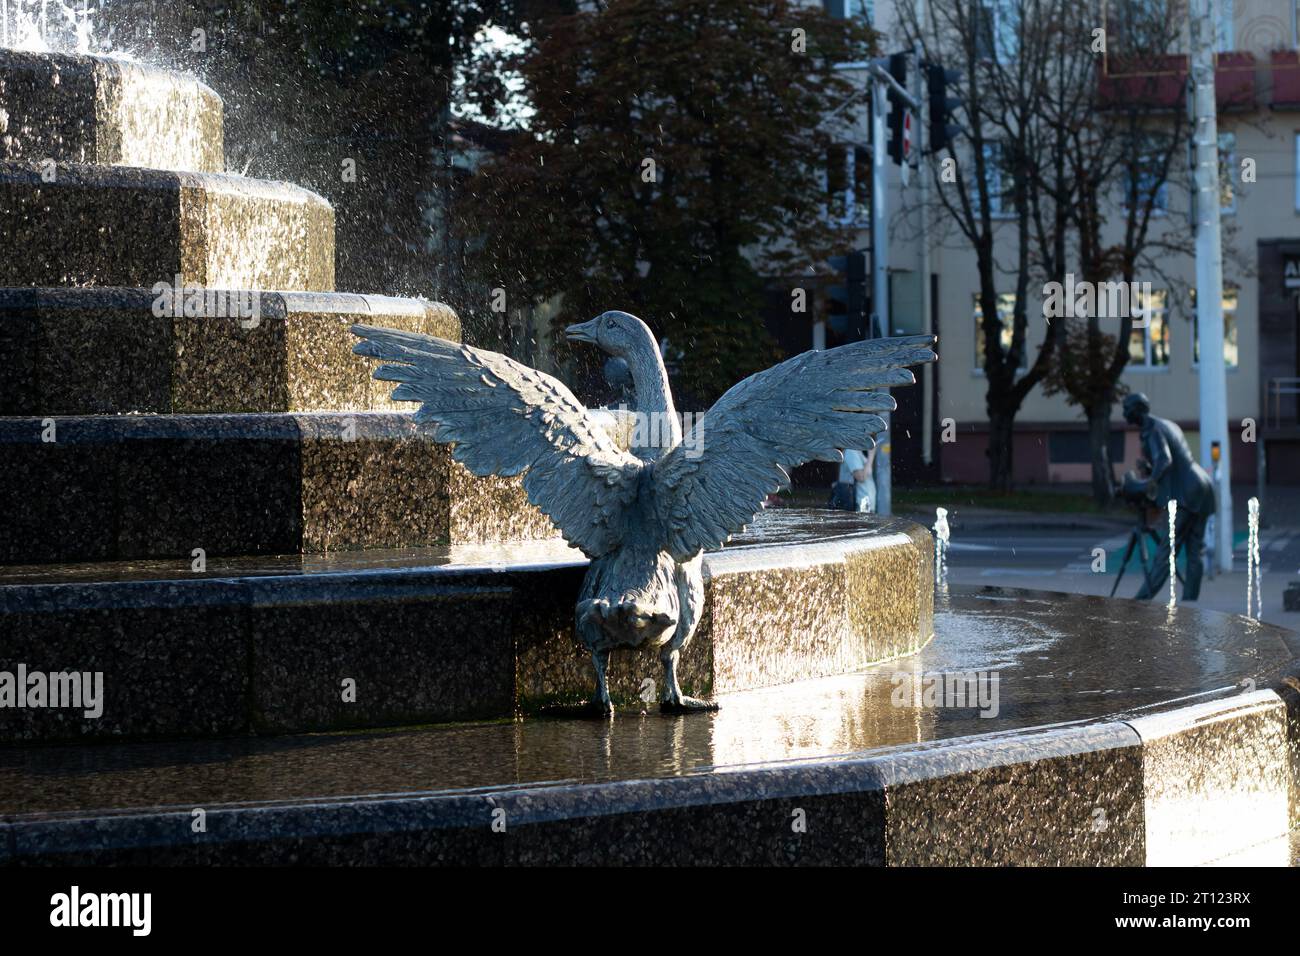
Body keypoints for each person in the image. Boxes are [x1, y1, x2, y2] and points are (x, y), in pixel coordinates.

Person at [1122, 393, 1216, 601]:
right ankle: (1191, 603)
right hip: (1201, 486)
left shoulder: (1153, 429)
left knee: (1165, 553)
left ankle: (1139, 603)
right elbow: (1173, 461)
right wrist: (1150, 469)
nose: (1124, 413)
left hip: (1186, 493)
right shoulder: (1166, 424)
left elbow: (1165, 460)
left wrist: (1148, 484)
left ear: (1138, 410)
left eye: (1126, 408)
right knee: (1194, 551)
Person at [832, 446, 877, 513]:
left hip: (863, 503)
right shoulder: (851, 451)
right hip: (860, 503)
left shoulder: (856, 451)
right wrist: (871, 456)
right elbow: (861, 477)